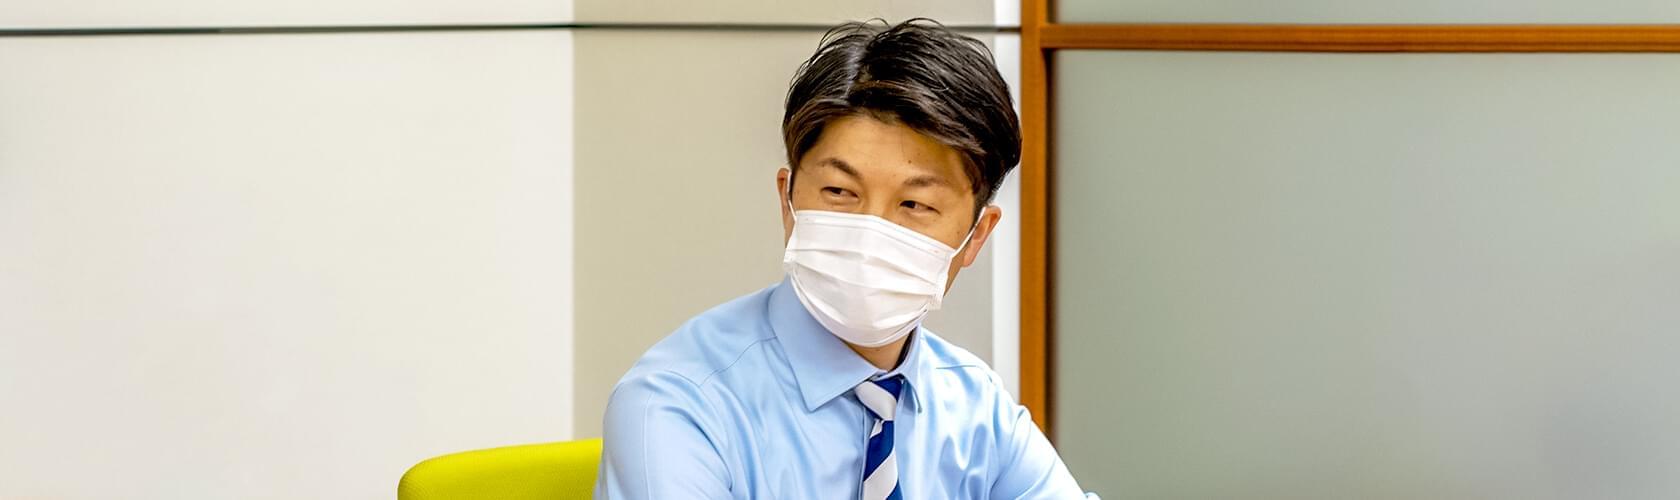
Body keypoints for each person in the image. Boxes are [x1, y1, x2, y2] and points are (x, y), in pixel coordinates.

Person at [594, 18, 1092, 499]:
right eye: (839, 191)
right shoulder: (680, 402)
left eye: (915, 204)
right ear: (788, 201)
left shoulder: (975, 407)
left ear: (976, 236)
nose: (871, 230)